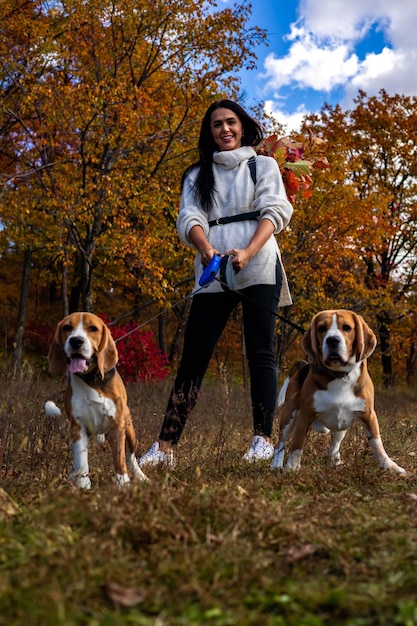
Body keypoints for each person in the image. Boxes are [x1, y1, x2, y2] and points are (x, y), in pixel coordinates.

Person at [139, 99, 293, 466]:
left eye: (230, 122)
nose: (224, 129)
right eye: (216, 125)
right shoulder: (197, 174)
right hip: (212, 269)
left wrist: (249, 251)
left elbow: (276, 210)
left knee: (261, 353)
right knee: (193, 357)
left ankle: (263, 440)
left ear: (243, 126)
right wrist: (206, 248)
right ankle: (165, 448)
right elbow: (189, 216)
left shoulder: (263, 165)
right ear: (209, 133)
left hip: (258, 263)